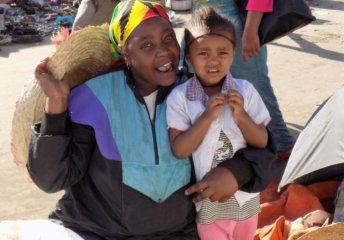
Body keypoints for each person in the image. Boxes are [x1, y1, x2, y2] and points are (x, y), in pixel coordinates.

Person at [27, 0, 277, 239]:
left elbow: (264, 148)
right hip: (98, 231)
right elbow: (52, 179)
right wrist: (57, 105)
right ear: (125, 52)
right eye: (146, 45)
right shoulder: (95, 97)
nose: (164, 52)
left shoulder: (199, 91)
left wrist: (236, 172)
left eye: (168, 38)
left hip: (177, 233)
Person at [166, 6, 271, 240]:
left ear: (234, 53)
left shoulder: (246, 91)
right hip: (208, 199)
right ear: (189, 57)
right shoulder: (180, 97)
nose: (213, 60)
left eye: (222, 52)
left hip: (245, 195)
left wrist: (242, 116)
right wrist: (206, 118)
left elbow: (262, 141)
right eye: (203, 53)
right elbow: (180, 148)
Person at [191, 0, 296, 160]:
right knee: (201, 89)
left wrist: (251, 30)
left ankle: (281, 142)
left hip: (236, 29)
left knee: (257, 89)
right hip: (200, 24)